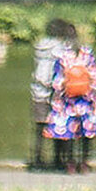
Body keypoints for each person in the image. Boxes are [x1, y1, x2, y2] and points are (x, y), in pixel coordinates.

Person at [42, 22, 96, 174]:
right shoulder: (87, 52)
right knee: (87, 133)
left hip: (67, 102)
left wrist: (59, 94)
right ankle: (84, 163)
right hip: (87, 100)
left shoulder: (62, 56)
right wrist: (92, 93)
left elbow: (57, 82)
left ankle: (70, 164)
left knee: (68, 134)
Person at [28, 17, 68, 171]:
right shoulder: (61, 48)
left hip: (38, 92)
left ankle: (37, 160)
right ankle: (58, 160)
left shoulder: (40, 47)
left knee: (39, 130)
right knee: (59, 128)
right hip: (55, 94)